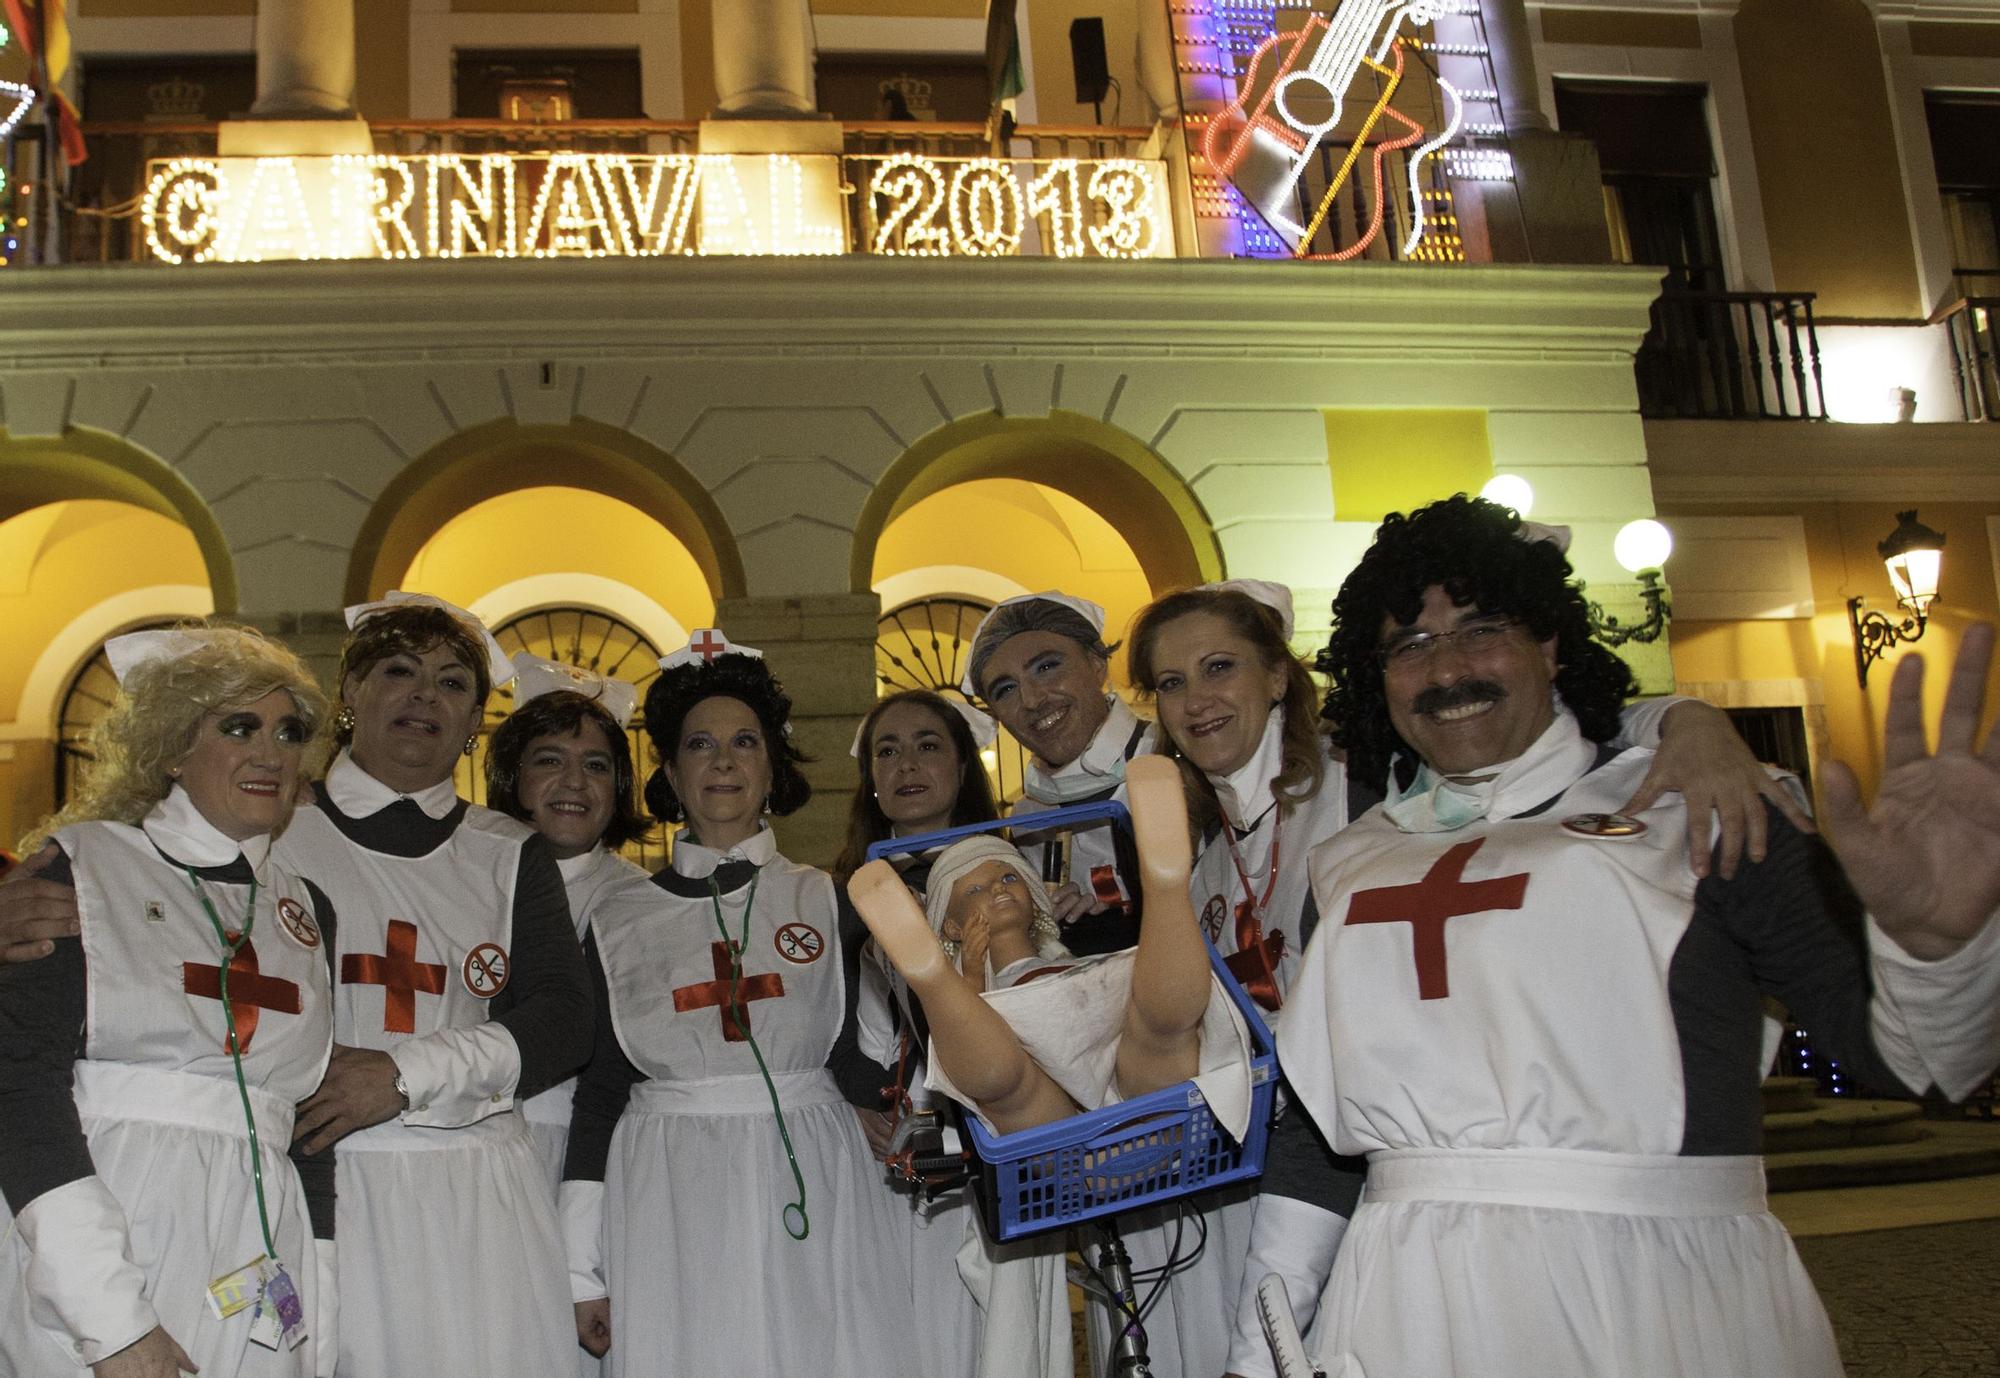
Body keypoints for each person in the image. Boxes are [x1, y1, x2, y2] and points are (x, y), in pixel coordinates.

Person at [1255, 494, 2000, 1378]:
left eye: (1483, 627)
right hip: (1402, 1302)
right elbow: (1317, 1136)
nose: (1447, 668)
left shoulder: (1707, 805)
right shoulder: (1348, 862)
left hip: (1664, 1297)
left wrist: (1940, 946)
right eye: (1409, 645)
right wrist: (1258, 1350)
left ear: (1550, 643)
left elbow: (1920, 1066)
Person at [1122, 573, 1790, 1378]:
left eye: (1220, 667)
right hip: (1320, 1175)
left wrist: (1690, 717)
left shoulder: (1368, 780)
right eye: (1171, 682)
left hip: (1456, 1157)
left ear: (1278, 675)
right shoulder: (1198, 844)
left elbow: (1525, 718)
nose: (1196, 698)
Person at [561, 630, 918, 1378]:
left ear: (772, 765)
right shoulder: (617, 918)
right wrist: (579, 1266)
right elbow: (599, 1094)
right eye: (699, 744)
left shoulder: (830, 896)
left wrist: (897, 1115)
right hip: (669, 1185)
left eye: (744, 742)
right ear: (669, 770)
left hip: (814, 1170)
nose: (723, 761)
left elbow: (865, 1049)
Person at [0, 625, 337, 1378]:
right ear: (174, 749)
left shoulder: (307, 907)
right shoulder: (83, 867)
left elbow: (306, 1130)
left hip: (261, 1243)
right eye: (238, 726)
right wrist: (111, 1321)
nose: (271, 752)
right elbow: (21, 1093)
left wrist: (324, 1303)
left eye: (288, 733)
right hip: (115, 1224)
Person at [279, 592, 592, 1378]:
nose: (425, 695)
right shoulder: (277, 831)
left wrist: (405, 1074)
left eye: (453, 683)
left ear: (475, 720)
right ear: (350, 694)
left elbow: (564, 1020)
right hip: (323, 1176)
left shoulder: (510, 852)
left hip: (478, 1188)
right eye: (399, 671)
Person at [850, 756, 1251, 1138]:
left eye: (1009, 879)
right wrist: (967, 972)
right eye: (974, 889)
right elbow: (978, 1029)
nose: (996, 889)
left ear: (1036, 899)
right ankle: (933, 978)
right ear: (951, 926)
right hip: (1065, 1146)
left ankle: (1165, 889)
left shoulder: (1067, 955)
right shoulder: (978, 989)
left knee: (1159, 1025)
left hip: (1145, 1104)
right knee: (1007, 1082)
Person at [831, 689, 1017, 1378]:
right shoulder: (839, 896)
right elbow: (825, 1020)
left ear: (964, 767)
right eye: (888, 751)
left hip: (986, 1141)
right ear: (871, 784)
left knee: (980, 1334)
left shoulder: (1007, 878)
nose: (907, 763)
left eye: (928, 745)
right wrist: (857, 1095)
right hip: (878, 1149)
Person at [963, 591, 1152, 953]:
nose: (1032, 700)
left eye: (1047, 667)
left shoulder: (1172, 762)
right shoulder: (1028, 819)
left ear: (1098, 664)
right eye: (1006, 689)